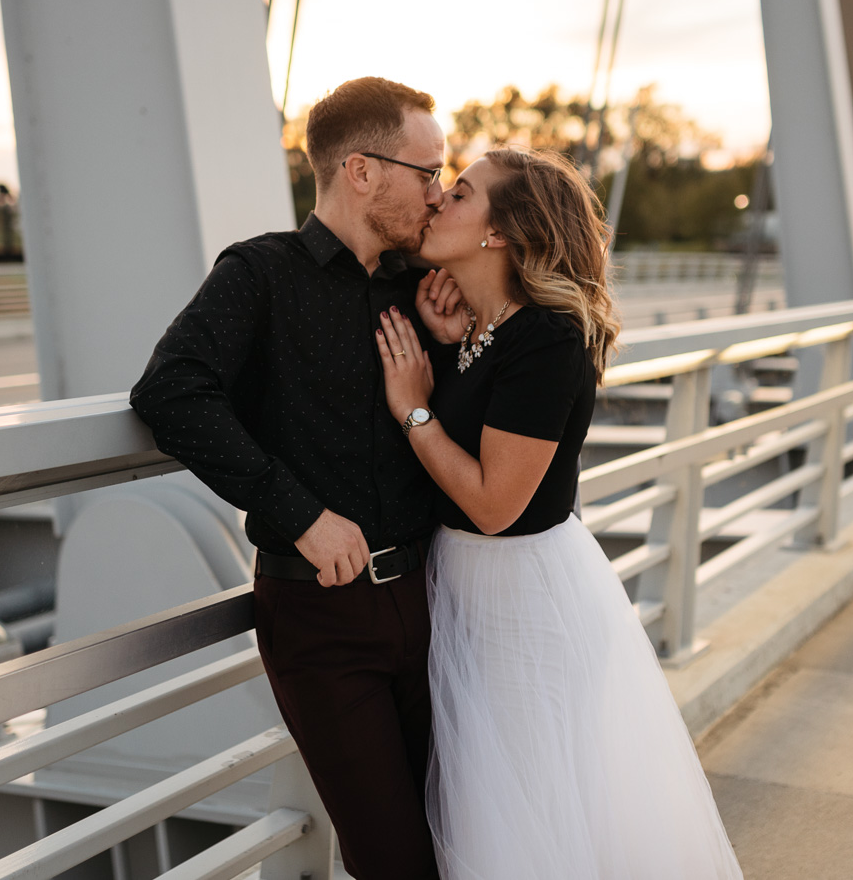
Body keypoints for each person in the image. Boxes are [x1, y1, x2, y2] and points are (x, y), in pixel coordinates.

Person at [130, 77, 469, 880]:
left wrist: (452, 345)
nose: (438, 190)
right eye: (426, 171)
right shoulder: (260, 275)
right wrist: (301, 512)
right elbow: (169, 392)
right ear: (360, 171)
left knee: (463, 835)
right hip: (321, 618)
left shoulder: (419, 290)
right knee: (393, 861)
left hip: (435, 599)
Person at [376, 146, 744, 879]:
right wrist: (449, 351)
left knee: (524, 818)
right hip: (471, 590)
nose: (440, 199)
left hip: (521, 606)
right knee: (495, 809)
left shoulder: (546, 339)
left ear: (499, 232)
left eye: (462, 193)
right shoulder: (486, 331)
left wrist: (413, 409)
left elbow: (491, 502)